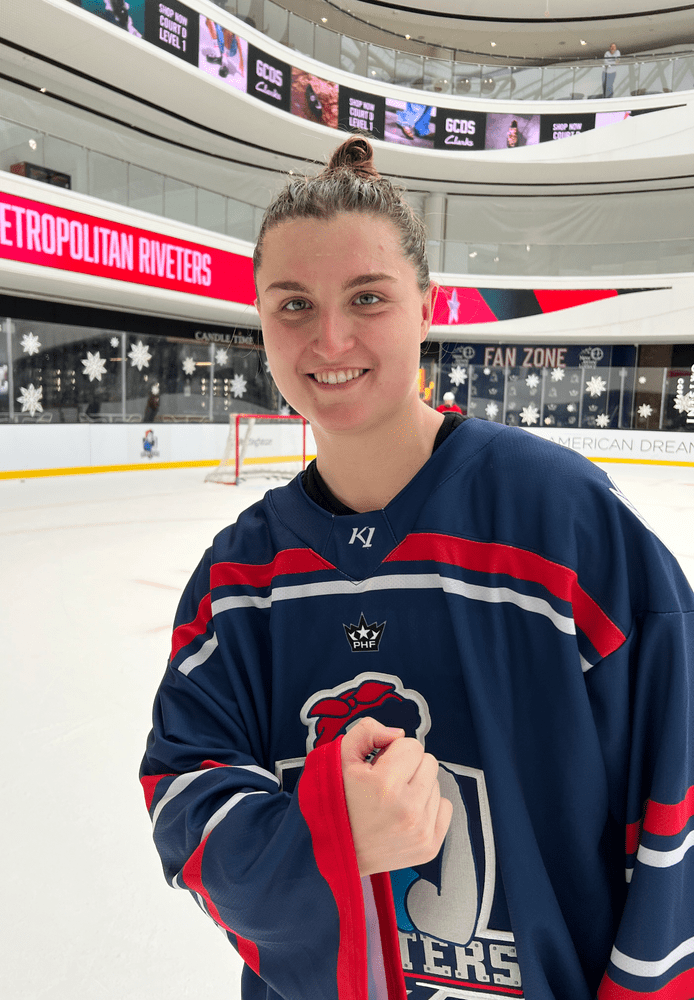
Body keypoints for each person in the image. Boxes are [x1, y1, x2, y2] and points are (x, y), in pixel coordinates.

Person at [140, 136, 694, 1000]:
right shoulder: (237, 579)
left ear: (428, 306)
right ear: (259, 320)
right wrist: (328, 837)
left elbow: (676, 790)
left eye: (368, 297)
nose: (330, 338)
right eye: (293, 305)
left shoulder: (561, 522)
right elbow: (184, 799)